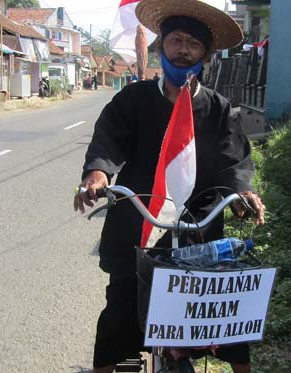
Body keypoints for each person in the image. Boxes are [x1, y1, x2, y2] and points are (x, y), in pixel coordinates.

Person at [73, 1, 265, 372]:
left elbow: (234, 161)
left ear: (205, 55)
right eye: (175, 40)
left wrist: (241, 192)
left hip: (199, 227)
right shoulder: (133, 99)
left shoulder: (220, 109)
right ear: (161, 46)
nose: (183, 49)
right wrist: (97, 175)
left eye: (192, 43)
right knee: (120, 313)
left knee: (227, 317)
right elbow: (107, 143)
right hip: (139, 222)